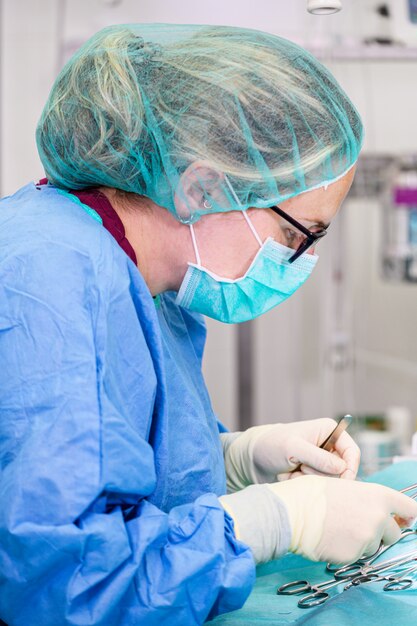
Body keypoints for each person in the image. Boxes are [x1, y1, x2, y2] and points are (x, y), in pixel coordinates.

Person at [0, 23, 415, 626]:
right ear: (202, 186)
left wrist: (235, 458)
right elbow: (64, 584)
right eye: (299, 236)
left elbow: (95, 461)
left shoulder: (141, 282)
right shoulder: (45, 280)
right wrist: (279, 519)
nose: (298, 261)